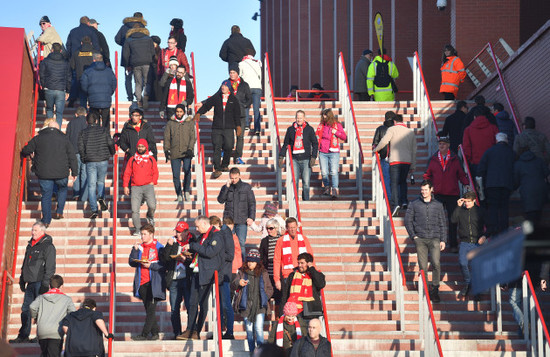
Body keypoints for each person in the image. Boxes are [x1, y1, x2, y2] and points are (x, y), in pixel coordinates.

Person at [21, 121, 77, 226]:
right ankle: (59, 211)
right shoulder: (64, 139)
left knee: (46, 195)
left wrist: (31, 155)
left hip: (44, 173)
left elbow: (26, 150)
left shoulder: (38, 138)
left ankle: (46, 220)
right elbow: (72, 156)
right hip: (61, 172)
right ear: (58, 128)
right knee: (62, 189)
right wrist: (74, 171)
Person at [178, 215, 225, 340]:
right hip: (196, 272)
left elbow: (210, 252)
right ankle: (189, 329)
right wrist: (189, 255)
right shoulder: (201, 237)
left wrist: (193, 246)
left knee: (203, 304)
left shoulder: (216, 235)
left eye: (198, 226)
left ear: (205, 224)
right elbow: (199, 251)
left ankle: (196, 331)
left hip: (207, 274)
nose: (197, 229)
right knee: (192, 303)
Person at [10, 222, 56, 344]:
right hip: (30, 282)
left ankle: (41, 336)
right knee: (26, 309)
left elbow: (50, 267)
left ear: (42, 231)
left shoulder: (48, 246)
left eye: (35, 230)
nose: (32, 232)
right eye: (32, 230)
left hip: (40, 282)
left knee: (41, 310)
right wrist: (22, 278)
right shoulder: (30, 245)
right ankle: (23, 335)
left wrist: (46, 284)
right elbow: (25, 263)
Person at [423, 136, 469, 252]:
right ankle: (434, 244)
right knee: (435, 220)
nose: (441, 146)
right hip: (438, 194)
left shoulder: (454, 158)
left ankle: (453, 244)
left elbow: (461, 174)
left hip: (452, 194)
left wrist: (466, 184)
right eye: (440, 144)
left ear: (448, 145)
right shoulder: (433, 159)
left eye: (444, 144)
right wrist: (427, 186)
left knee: (453, 220)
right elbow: (427, 175)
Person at [404, 180, 447, 303]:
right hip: (421, 239)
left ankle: (434, 289)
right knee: (423, 266)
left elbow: (442, 223)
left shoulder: (438, 205)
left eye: (426, 190)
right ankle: (426, 290)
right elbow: (408, 221)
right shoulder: (414, 204)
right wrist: (414, 236)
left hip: (434, 238)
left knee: (436, 263)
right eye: (422, 190)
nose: (423, 192)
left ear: (431, 190)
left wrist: (443, 239)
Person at [195, 80, 241, 178]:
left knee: (229, 146)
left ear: (229, 88)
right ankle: (217, 168)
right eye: (222, 86)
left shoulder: (233, 99)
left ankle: (225, 165)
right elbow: (207, 105)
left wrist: (238, 126)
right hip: (217, 127)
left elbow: (237, 114)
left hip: (229, 128)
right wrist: (199, 113)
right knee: (217, 147)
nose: (223, 88)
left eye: (225, 86)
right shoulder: (216, 97)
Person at [232, 249, 274, 354]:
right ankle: (252, 353)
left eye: (253, 261)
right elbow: (233, 285)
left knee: (259, 329)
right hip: (246, 306)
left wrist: (264, 297)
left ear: (257, 262)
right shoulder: (242, 272)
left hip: (260, 306)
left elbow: (270, 289)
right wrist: (238, 282)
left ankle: (260, 353)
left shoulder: (263, 273)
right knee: (250, 332)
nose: (250, 263)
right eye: (249, 261)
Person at [374, 114, 417, 216]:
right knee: (402, 182)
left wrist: (376, 150)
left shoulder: (392, 129)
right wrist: (413, 166)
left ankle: (396, 203)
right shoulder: (410, 132)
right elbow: (414, 150)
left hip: (395, 160)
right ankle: (404, 200)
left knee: (394, 183)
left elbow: (384, 141)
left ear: (394, 122)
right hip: (407, 161)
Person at [129, 224, 166, 340]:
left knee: (151, 310)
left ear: (151, 234)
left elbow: (164, 265)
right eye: (141, 234)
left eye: (145, 234)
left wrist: (151, 265)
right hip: (142, 283)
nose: (142, 236)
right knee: (149, 310)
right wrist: (134, 251)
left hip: (154, 283)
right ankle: (155, 333)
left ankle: (144, 334)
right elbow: (132, 262)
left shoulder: (159, 247)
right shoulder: (139, 247)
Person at [160, 221, 194, 339]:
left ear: (186, 232)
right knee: (174, 309)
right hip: (174, 280)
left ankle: (190, 331)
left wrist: (186, 260)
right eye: (177, 231)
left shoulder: (193, 241)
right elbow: (164, 259)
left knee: (190, 306)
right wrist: (169, 246)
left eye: (180, 232)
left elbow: (197, 260)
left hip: (187, 279)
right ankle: (177, 333)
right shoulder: (172, 241)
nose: (177, 234)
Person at [78, 112, 115, 218]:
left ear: (86, 122)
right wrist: (112, 152)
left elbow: (80, 147)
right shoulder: (104, 130)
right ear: (97, 121)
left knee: (91, 185)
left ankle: (94, 209)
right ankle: (101, 197)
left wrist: (83, 158)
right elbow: (110, 143)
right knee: (101, 181)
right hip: (103, 159)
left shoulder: (83, 132)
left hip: (90, 160)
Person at [477, 133, 515, 236]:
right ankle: (504, 231)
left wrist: (482, 184)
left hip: (492, 185)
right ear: (506, 140)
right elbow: (515, 170)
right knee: (504, 208)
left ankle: (493, 230)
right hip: (506, 184)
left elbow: (481, 170)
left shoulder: (489, 152)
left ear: (496, 140)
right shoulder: (511, 152)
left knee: (493, 208)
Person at [451, 191, 487, 297]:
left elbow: (490, 224)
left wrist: (485, 235)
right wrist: (458, 207)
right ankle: (468, 283)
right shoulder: (461, 210)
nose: (466, 204)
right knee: (463, 262)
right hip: (465, 242)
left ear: (474, 201)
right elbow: (453, 220)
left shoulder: (480, 211)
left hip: (477, 242)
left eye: (469, 202)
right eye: (465, 202)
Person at [30, 275, 76, 357]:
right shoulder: (66, 299)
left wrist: (35, 317)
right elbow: (73, 313)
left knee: (45, 353)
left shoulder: (41, 297)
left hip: (42, 331)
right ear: (61, 286)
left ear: (49, 285)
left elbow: (32, 307)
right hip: (57, 332)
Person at [217, 167, 256, 260]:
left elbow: (252, 203)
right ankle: (229, 264)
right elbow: (220, 200)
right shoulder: (226, 187)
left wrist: (251, 217)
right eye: (232, 178)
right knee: (227, 243)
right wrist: (226, 187)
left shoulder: (246, 187)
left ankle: (241, 265)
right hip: (228, 221)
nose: (234, 180)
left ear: (239, 176)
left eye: (235, 178)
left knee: (241, 243)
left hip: (242, 220)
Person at [279, 110, 319, 201]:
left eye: (301, 118)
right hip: (294, 159)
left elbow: (315, 143)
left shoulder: (309, 129)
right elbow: (286, 144)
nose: (299, 119)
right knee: (295, 182)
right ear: (295, 118)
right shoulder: (290, 129)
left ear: (304, 118)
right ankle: (295, 200)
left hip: (306, 159)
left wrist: (313, 157)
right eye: (297, 117)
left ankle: (306, 201)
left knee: (306, 182)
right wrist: (281, 156)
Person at [123, 139, 159, 234]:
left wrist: (153, 181)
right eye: (139, 146)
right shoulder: (132, 159)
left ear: (146, 147)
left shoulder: (151, 159)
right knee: (135, 210)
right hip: (135, 187)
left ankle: (150, 216)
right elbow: (127, 173)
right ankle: (138, 228)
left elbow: (155, 172)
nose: (140, 148)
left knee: (152, 205)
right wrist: (125, 186)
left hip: (148, 186)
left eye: (142, 146)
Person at [273, 218, 313, 299]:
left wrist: (313, 272)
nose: (292, 230)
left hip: (303, 274)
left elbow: (310, 258)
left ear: (297, 226)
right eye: (290, 228)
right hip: (288, 275)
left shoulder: (304, 239)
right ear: (286, 228)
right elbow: (276, 261)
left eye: (294, 227)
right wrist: (277, 279)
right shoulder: (280, 241)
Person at [164, 103, 196, 203]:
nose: (178, 113)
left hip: (187, 152)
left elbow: (192, 136)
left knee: (187, 170)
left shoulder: (189, 122)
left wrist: (190, 148)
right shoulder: (170, 123)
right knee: (176, 175)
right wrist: (166, 149)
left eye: (180, 112)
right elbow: (167, 138)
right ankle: (179, 194)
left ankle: (186, 191)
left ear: (184, 112)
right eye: (177, 112)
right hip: (175, 152)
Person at [282, 252, 326, 326]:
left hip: (311, 312)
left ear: (309, 263)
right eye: (298, 263)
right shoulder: (292, 275)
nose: (299, 265)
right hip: (294, 312)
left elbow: (320, 284)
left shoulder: (316, 274)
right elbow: (285, 294)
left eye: (302, 263)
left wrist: (312, 268)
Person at [210, 215, 235, 340]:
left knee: (226, 305)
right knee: (219, 305)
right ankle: (219, 332)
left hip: (224, 274)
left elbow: (230, 255)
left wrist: (216, 253)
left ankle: (230, 332)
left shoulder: (226, 234)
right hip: (216, 273)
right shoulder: (218, 234)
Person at [115, 12, 147, 102]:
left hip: (127, 57)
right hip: (139, 56)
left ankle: (130, 97)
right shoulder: (142, 28)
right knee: (139, 78)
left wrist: (125, 44)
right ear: (142, 17)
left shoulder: (124, 26)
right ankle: (138, 95)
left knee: (128, 78)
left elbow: (117, 39)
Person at [514, 146, 550, 226]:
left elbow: (516, 181)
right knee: (538, 214)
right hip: (540, 190)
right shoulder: (538, 161)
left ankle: (533, 234)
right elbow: (546, 172)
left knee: (530, 215)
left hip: (527, 191)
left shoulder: (518, 164)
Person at [316, 108, 347, 199]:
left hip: (333, 152)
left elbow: (344, 137)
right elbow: (317, 135)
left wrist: (336, 132)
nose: (323, 118)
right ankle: (326, 187)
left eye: (325, 116)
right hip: (322, 151)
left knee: (333, 172)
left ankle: (334, 189)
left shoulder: (337, 125)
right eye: (323, 117)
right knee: (324, 172)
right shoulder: (321, 125)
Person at [123, 24, 156, 109]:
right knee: (147, 82)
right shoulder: (148, 39)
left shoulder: (129, 40)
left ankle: (138, 100)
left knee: (138, 82)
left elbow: (126, 55)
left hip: (135, 64)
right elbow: (152, 52)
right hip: (147, 63)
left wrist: (127, 65)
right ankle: (146, 96)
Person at [80, 52, 117, 128]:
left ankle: (95, 137)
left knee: (94, 122)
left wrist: (89, 93)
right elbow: (114, 83)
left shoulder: (87, 71)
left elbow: (83, 84)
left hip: (93, 99)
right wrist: (109, 93)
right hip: (106, 99)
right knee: (106, 122)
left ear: (94, 60)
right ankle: (106, 137)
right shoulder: (109, 71)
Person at [39, 42, 71, 127]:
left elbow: (41, 75)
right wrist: (68, 91)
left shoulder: (45, 61)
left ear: (52, 50)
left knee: (49, 110)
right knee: (59, 113)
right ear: (61, 51)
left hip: (49, 88)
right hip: (61, 90)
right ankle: (57, 131)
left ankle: (49, 129)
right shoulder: (66, 63)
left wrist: (44, 85)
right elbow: (68, 77)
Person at [462, 107, 498, 177]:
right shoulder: (493, 128)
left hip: (476, 162)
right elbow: (498, 144)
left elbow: (467, 147)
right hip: (492, 161)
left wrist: (468, 160)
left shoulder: (468, 130)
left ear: (474, 117)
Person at [228, 65, 252, 165]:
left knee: (240, 136)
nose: (232, 75)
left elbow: (249, 98)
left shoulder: (244, 85)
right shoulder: (226, 83)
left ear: (238, 73)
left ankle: (238, 156)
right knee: (228, 135)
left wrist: (244, 105)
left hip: (241, 115)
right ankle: (226, 151)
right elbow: (218, 94)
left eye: (234, 72)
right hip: (229, 114)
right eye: (230, 73)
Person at [259, 218, 283, 308]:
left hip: (280, 272)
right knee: (268, 294)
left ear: (276, 228)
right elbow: (261, 256)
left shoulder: (282, 239)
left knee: (279, 297)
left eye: (271, 228)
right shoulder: (264, 241)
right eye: (267, 228)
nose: (269, 230)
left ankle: (277, 318)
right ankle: (268, 317)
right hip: (268, 272)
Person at [65, 107, 88, 201]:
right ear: (85, 114)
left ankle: (76, 194)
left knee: (76, 173)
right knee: (85, 173)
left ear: (76, 114)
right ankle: (84, 196)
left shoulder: (71, 123)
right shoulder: (87, 123)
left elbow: (67, 137)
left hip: (74, 151)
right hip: (85, 151)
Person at [239, 48, 262, 134]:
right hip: (257, 87)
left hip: (247, 87)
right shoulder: (257, 63)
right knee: (256, 109)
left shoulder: (241, 64)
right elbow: (260, 76)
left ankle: (246, 125)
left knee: (246, 106)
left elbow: (240, 76)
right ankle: (257, 128)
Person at [372, 111, 395, 198]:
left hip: (384, 157)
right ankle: (397, 199)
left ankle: (388, 198)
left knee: (386, 178)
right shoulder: (396, 129)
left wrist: (376, 149)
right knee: (397, 180)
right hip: (396, 158)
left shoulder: (380, 129)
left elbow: (375, 143)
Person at [69, 36, 94, 108]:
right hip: (93, 80)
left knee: (82, 99)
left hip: (80, 79)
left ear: (81, 43)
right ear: (91, 43)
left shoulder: (76, 53)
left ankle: (83, 115)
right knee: (92, 100)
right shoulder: (95, 52)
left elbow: (72, 66)